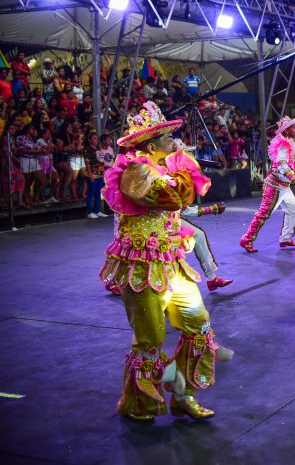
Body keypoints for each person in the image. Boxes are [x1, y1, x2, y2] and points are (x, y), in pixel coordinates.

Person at [100, 100, 233, 421]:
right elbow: (173, 197)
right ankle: (140, 403)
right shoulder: (135, 172)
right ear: (150, 143)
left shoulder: (162, 167)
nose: (173, 140)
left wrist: (180, 166)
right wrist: (182, 167)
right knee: (149, 340)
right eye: (165, 136)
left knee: (199, 324)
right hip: (141, 268)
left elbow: (181, 196)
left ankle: (184, 395)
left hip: (171, 261)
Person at [240, 116, 295, 252]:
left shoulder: (291, 144)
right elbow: (282, 165)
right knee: (264, 213)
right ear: (286, 131)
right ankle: (247, 239)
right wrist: (294, 179)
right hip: (275, 186)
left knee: (293, 209)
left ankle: (285, 239)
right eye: (293, 127)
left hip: (284, 186)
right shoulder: (283, 146)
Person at [84, 132, 108, 218]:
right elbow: (87, 163)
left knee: (98, 193)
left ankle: (97, 211)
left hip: (100, 174)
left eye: (97, 138)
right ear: (89, 140)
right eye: (94, 138)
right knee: (91, 193)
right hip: (92, 174)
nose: (96, 140)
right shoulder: (87, 149)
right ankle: (90, 212)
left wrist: (103, 171)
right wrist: (90, 175)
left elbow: (101, 160)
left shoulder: (98, 148)